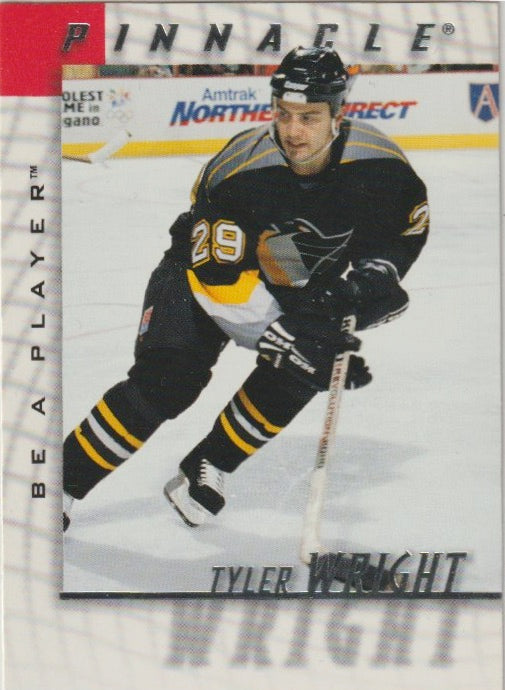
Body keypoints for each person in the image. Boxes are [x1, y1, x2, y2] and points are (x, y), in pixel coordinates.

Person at [63, 47, 429, 531]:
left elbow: (397, 235)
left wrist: (370, 283)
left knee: (308, 359)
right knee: (169, 380)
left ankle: (208, 462)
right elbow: (220, 275)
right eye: (284, 114)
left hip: (291, 273)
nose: (293, 131)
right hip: (198, 274)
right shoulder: (242, 170)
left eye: (309, 118)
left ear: (338, 115)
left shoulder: (382, 167)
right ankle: (60, 484)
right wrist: (286, 336)